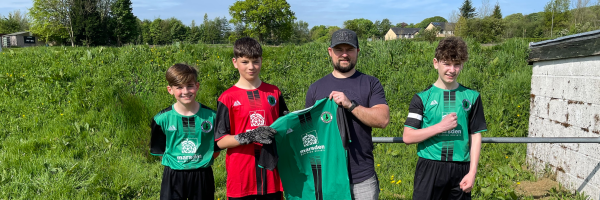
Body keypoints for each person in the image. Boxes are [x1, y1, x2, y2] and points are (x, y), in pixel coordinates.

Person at [305, 29, 390, 200]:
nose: (344, 54)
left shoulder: (371, 83)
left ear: (357, 52)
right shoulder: (315, 88)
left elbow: (382, 119)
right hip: (328, 177)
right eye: (339, 50)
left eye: (349, 49)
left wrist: (350, 105)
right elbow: (309, 132)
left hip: (362, 177)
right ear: (330, 52)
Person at [403, 37, 487, 200]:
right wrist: (440, 127)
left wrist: (472, 172)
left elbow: (476, 135)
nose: (452, 70)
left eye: (457, 64)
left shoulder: (472, 97)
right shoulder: (421, 98)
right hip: (429, 167)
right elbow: (408, 136)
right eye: (447, 63)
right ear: (436, 63)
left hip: (461, 169)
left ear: (462, 65)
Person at [215, 37, 288, 200]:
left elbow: (286, 126)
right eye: (245, 62)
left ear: (261, 61)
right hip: (241, 177)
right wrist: (249, 136)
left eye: (255, 61)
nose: (251, 67)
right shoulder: (227, 98)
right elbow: (220, 141)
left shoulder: (274, 93)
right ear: (235, 62)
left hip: (272, 175)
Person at [149, 63, 218, 200]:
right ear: (170, 89)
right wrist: (180, 163)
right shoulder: (161, 119)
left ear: (197, 86)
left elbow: (215, 149)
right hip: (174, 175)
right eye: (179, 87)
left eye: (190, 86)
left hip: (202, 175)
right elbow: (160, 151)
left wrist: (198, 161)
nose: (185, 91)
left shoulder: (212, 117)